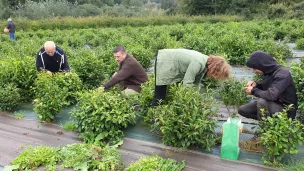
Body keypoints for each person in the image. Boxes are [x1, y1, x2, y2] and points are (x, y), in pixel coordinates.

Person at [152, 49, 231, 106]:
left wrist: (197, 100)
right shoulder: (198, 63)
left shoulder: (205, 64)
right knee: (160, 95)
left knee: (168, 95)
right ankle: (154, 117)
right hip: (164, 61)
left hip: (172, 63)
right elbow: (187, 82)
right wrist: (190, 102)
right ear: (215, 68)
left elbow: (196, 83)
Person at [238, 51, 298, 121]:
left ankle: (267, 126)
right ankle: (269, 122)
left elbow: (271, 95)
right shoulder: (269, 72)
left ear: (262, 65)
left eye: (255, 68)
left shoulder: (282, 74)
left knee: (262, 102)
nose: (254, 71)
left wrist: (253, 91)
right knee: (242, 110)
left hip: (285, 109)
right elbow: (268, 86)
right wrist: (256, 85)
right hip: (272, 104)